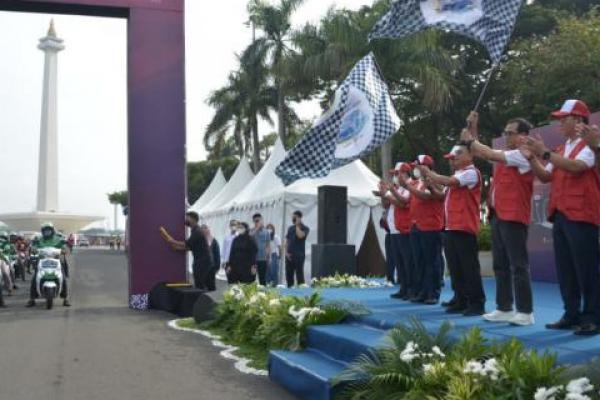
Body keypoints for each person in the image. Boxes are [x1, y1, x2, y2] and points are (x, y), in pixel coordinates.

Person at [523, 99, 599, 336]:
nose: (559, 123)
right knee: (566, 269)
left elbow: (577, 167)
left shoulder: (591, 143)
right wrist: (533, 158)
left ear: (578, 120)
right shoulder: (561, 148)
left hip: (582, 213)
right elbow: (546, 176)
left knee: (587, 269)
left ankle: (593, 317)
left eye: (563, 119)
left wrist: (544, 152)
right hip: (561, 214)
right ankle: (571, 313)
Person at [462, 112, 536, 326]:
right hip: (498, 214)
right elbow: (481, 152)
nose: (506, 136)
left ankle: (525, 311)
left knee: (518, 265)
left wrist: (470, 138)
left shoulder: (523, 154)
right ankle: (504, 307)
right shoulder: (507, 153)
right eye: (505, 133)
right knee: (500, 265)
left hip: (514, 216)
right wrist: (473, 128)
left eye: (510, 133)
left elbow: (487, 152)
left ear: (523, 136)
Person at [420, 143, 486, 316]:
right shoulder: (456, 175)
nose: (453, 160)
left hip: (464, 226)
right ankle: (460, 299)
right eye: (451, 158)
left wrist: (430, 174)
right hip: (450, 226)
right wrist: (430, 186)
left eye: (457, 155)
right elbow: (442, 196)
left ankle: (476, 303)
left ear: (470, 156)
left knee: (469, 267)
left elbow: (451, 182)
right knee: (455, 267)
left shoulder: (471, 173)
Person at [398, 155, 445, 304]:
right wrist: (394, 190)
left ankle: (433, 293)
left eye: (417, 166)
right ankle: (423, 291)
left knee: (431, 261)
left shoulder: (436, 181)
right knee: (419, 261)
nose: (415, 169)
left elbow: (427, 197)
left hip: (430, 226)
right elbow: (406, 201)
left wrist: (407, 187)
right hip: (416, 225)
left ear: (426, 167)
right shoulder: (417, 182)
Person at [380, 162, 413, 300]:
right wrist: (384, 194)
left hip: (404, 228)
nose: (394, 176)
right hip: (394, 229)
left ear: (405, 174)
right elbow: (386, 204)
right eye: (394, 174)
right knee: (399, 262)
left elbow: (403, 203)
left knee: (407, 261)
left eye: (397, 174)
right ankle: (403, 288)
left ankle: (410, 289)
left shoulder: (409, 186)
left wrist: (390, 193)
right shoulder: (398, 188)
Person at [161, 211, 213, 290]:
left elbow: (186, 244)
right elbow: (189, 247)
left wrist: (172, 241)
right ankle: (201, 298)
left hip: (203, 262)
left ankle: (202, 300)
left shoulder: (197, 231)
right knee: (199, 282)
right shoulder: (194, 231)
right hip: (201, 261)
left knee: (199, 283)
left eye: (187, 218)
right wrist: (177, 247)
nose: (185, 220)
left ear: (193, 219)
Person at [27, 222, 71, 307]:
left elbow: (65, 246)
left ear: (52, 230)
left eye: (49, 230)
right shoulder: (39, 239)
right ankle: (32, 299)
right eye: (45, 230)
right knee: (35, 278)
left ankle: (65, 299)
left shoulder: (58, 239)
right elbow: (33, 246)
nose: (47, 232)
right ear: (42, 231)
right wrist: (33, 249)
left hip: (56, 261)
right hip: (42, 261)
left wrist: (64, 249)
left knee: (63, 277)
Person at [284, 211, 309, 287]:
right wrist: (286, 252)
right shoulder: (290, 228)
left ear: (299, 218)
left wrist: (297, 225)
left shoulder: (305, 228)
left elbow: (300, 236)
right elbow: (287, 241)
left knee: (299, 276)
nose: (293, 218)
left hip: (299, 256)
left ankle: (301, 294)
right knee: (289, 276)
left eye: (295, 217)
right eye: (292, 217)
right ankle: (289, 292)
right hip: (289, 256)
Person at [250, 213, 271, 286]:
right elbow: (249, 238)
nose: (257, 222)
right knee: (251, 278)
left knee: (262, 279)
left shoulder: (266, 232)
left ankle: (263, 295)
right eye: (255, 221)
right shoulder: (251, 230)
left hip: (263, 259)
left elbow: (268, 245)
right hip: (253, 259)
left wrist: (268, 257)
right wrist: (257, 228)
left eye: (258, 220)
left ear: (261, 220)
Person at [200, 224, 220, 292]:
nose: (203, 230)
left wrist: (217, 267)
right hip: (201, 267)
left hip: (211, 267)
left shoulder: (213, 240)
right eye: (202, 228)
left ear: (208, 230)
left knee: (211, 285)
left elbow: (217, 254)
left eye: (205, 228)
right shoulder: (199, 240)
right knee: (201, 285)